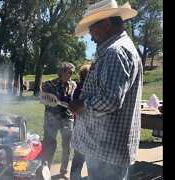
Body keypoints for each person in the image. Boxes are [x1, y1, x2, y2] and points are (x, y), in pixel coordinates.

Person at [68, 0, 143, 179]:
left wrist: (80, 105)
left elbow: (110, 100)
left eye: (91, 30)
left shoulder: (115, 52)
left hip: (107, 152)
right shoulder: (117, 50)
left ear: (106, 24)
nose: (91, 37)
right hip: (105, 150)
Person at [40, 62, 76, 178]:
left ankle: (63, 171)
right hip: (52, 119)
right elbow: (42, 93)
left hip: (67, 118)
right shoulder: (49, 84)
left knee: (67, 145)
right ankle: (46, 170)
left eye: (72, 72)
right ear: (61, 72)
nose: (71, 74)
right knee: (50, 144)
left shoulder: (73, 85)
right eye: (69, 72)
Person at [70, 63, 91, 180]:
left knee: (78, 157)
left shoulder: (78, 87)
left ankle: (74, 177)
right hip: (85, 129)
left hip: (78, 126)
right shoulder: (85, 89)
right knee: (84, 157)